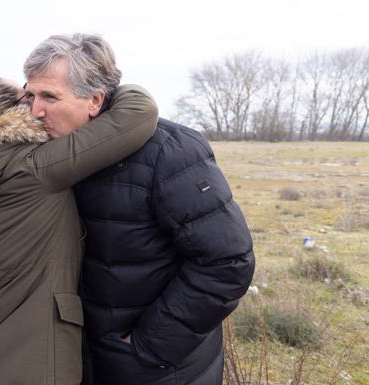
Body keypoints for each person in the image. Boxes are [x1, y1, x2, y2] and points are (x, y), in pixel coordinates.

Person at [23, 34, 256, 385]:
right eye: (31, 95)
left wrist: (150, 346)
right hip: (81, 361)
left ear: (95, 100)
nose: (35, 110)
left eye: (49, 97)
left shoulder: (171, 153)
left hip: (154, 369)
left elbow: (227, 262)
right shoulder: (51, 158)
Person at [0, 76, 157, 385]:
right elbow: (139, 113)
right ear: (14, 116)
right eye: (28, 97)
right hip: (32, 359)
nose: (38, 107)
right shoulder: (33, 167)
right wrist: (98, 86)